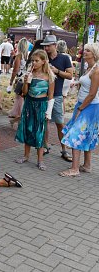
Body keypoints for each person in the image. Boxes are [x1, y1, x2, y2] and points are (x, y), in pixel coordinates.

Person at [59, 43, 99, 177]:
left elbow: (92, 93)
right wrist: (76, 83)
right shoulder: (89, 68)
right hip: (83, 104)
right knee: (87, 134)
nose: (84, 52)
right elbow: (87, 85)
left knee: (76, 134)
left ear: (94, 54)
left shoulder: (96, 70)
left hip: (89, 106)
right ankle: (87, 165)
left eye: (88, 50)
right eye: (85, 50)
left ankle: (74, 169)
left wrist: (81, 108)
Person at [15, 50, 55, 171]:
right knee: (28, 128)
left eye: (37, 61)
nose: (34, 63)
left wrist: (48, 112)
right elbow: (24, 93)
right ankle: (26, 156)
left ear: (43, 61)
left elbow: (51, 95)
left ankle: (40, 160)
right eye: (32, 60)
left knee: (40, 131)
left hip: (41, 105)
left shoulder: (49, 76)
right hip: (29, 104)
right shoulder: (30, 74)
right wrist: (27, 81)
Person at [41, 34, 74, 161]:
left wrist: (57, 71)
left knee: (60, 123)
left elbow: (70, 75)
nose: (46, 48)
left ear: (55, 45)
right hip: (44, 94)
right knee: (45, 122)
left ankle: (64, 150)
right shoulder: (44, 58)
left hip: (57, 95)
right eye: (45, 46)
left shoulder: (64, 58)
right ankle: (45, 146)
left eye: (48, 46)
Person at [7, 38, 29, 126]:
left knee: (19, 98)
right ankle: (19, 117)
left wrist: (11, 82)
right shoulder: (28, 55)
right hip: (27, 78)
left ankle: (18, 117)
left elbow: (15, 70)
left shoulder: (19, 56)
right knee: (23, 98)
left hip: (20, 78)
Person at [57, 40, 74, 113]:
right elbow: (71, 68)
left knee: (59, 97)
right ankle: (62, 113)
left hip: (61, 78)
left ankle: (60, 114)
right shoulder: (68, 56)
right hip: (67, 79)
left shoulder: (58, 56)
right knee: (63, 97)